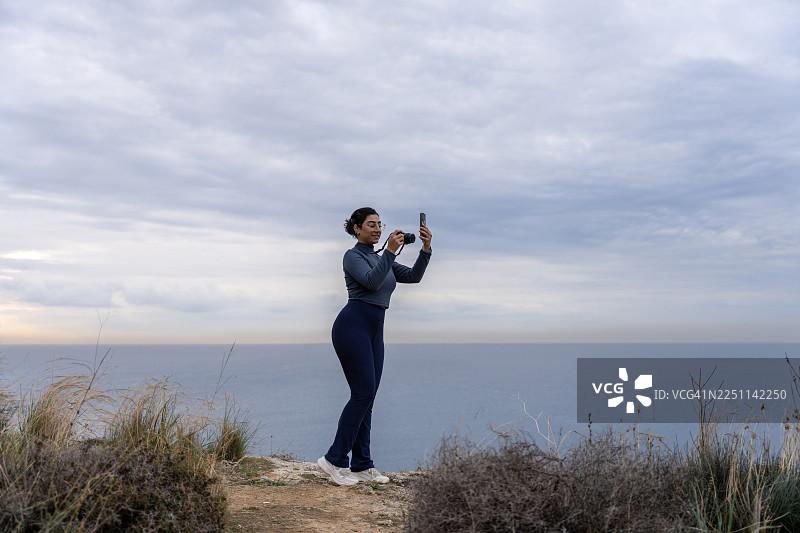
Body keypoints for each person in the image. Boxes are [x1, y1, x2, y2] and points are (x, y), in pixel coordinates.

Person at [317, 207, 433, 486]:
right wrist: (390, 252)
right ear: (356, 228)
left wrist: (426, 249)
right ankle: (333, 460)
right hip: (352, 325)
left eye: (380, 224)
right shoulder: (353, 256)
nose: (378, 229)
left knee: (368, 397)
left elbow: (414, 277)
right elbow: (370, 282)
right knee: (362, 393)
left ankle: (362, 465)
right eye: (371, 224)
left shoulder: (380, 257)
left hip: (374, 328)